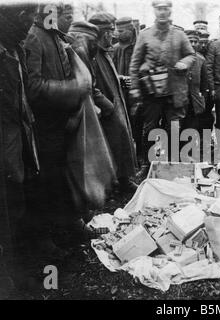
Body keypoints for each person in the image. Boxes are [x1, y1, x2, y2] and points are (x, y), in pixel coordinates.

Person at [24, 3, 95, 260]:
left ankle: (68, 224)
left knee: (62, 176)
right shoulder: (35, 37)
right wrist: (73, 90)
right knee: (45, 182)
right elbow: (33, 87)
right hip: (43, 125)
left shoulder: (55, 37)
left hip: (60, 121)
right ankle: (44, 240)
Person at [128, 0, 195, 176]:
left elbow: (191, 55)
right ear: (154, 11)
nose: (162, 12)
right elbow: (135, 64)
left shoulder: (179, 35)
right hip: (152, 91)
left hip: (175, 91)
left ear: (170, 11)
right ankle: (147, 165)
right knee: (149, 129)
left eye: (165, 9)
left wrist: (184, 62)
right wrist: (135, 89)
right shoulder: (145, 35)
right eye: (159, 9)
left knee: (173, 128)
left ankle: (171, 164)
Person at [0, 1, 39, 295]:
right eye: (26, 16)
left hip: (19, 137)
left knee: (16, 204)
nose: (30, 23)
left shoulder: (16, 49)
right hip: (5, 141)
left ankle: (16, 271)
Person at [89, 12, 138, 194]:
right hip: (106, 110)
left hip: (115, 105)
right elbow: (91, 86)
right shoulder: (92, 54)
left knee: (120, 143)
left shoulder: (104, 52)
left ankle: (123, 180)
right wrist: (108, 106)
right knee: (108, 148)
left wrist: (119, 79)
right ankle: (113, 185)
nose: (114, 35)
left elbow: (107, 76)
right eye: (110, 31)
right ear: (102, 33)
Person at [112, 17, 142, 159]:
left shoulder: (140, 48)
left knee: (139, 128)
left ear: (130, 31)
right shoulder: (114, 49)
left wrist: (136, 81)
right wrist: (119, 78)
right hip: (120, 95)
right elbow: (110, 70)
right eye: (117, 31)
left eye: (121, 31)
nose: (117, 34)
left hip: (137, 96)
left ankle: (141, 158)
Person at [183, 30, 208, 133]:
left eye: (195, 41)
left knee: (192, 130)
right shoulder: (176, 58)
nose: (193, 44)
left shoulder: (201, 60)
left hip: (194, 102)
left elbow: (204, 84)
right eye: (190, 41)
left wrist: (201, 99)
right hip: (178, 103)